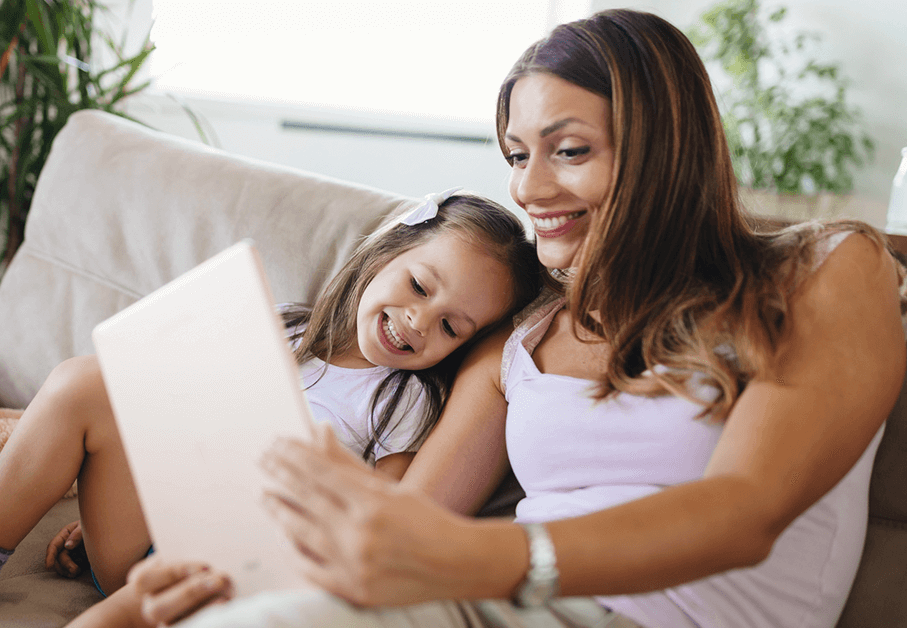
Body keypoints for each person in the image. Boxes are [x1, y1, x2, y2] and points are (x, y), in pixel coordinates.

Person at [115, 9, 907, 628]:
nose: (529, 190)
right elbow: (406, 528)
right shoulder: (520, 340)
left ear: (663, 149)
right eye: (516, 155)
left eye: (568, 150)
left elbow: (744, 513)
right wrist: (232, 572)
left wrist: (470, 557)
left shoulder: (824, 270)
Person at [0, 190, 544, 625]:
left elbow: (363, 520)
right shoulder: (286, 330)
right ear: (387, 253)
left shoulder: (403, 407)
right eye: (420, 286)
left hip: (227, 575)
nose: (421, 323)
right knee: (88, 380)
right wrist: (119, 502)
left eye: (452, 327)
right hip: (153, 533)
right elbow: (171, 420)